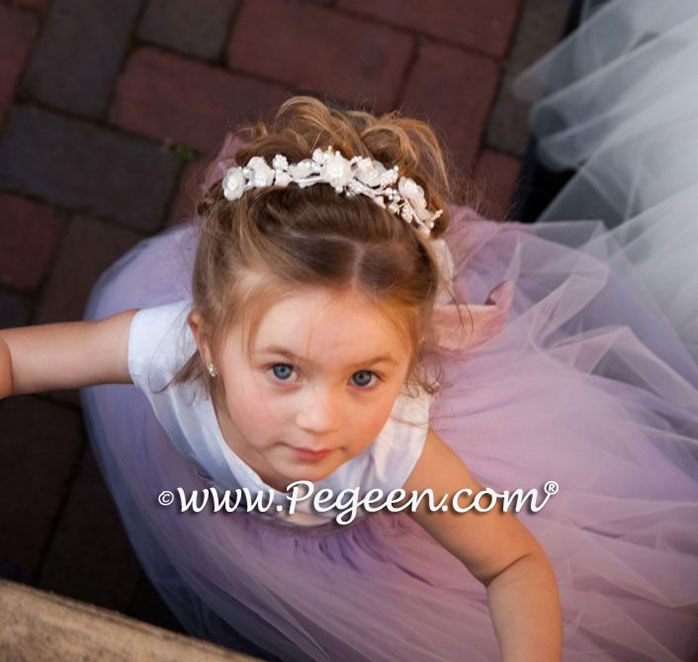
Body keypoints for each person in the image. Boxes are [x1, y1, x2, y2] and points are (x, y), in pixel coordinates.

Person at [2, 33, 698, 660]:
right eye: (282, 370)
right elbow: (18, 356)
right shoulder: (160, 348)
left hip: (358, 567)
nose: (321, 421)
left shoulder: (399, 448)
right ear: (205, 342)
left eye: (365, 376)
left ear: (411, 357)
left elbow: (515, 566)